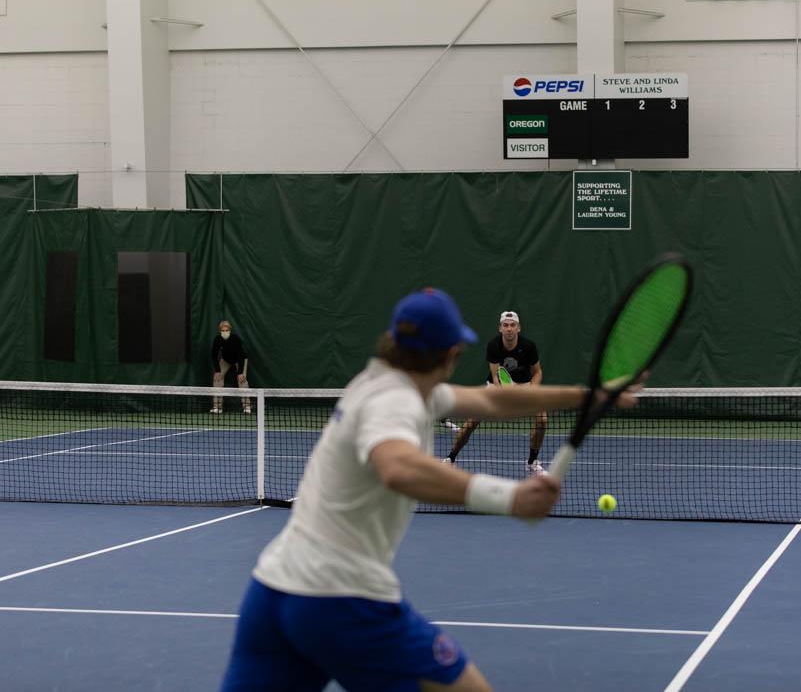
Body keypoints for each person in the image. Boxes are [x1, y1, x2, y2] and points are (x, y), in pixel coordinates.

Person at [220, 288, 643, 692]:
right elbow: (399, 467)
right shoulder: (395, 401)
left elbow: (495, 402)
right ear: (451, 354)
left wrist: (592, 396)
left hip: (274, 589)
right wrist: (509, 498)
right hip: (340, 596)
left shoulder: (388, 383)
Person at [443, 310, 548, 475]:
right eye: (505, 325)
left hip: (524, 384)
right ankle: (451, 458)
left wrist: (532, 391)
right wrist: (507, 394)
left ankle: (532, 462)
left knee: (542, 419)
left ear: (518, 328)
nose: (509, 329)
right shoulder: (494, 346)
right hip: (497, 385)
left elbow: (538, 372)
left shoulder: (528, 346)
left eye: (513, 325)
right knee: (472, 421)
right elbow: (496, 376)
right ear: (500, 328)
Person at [210, 320, 251, 414]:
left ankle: (247, 407)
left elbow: (241, 355)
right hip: (226, 360)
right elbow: (214, 355)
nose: (225, 332)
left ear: (230, 330)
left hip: (240, 359)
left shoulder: (235, 338)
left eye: (226, 330)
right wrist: (217, 370)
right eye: (223, 330)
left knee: (242, 380)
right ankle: (217, 407)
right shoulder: (217, 339)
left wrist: (240, 372)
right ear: (220, 331)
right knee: (217, 379)